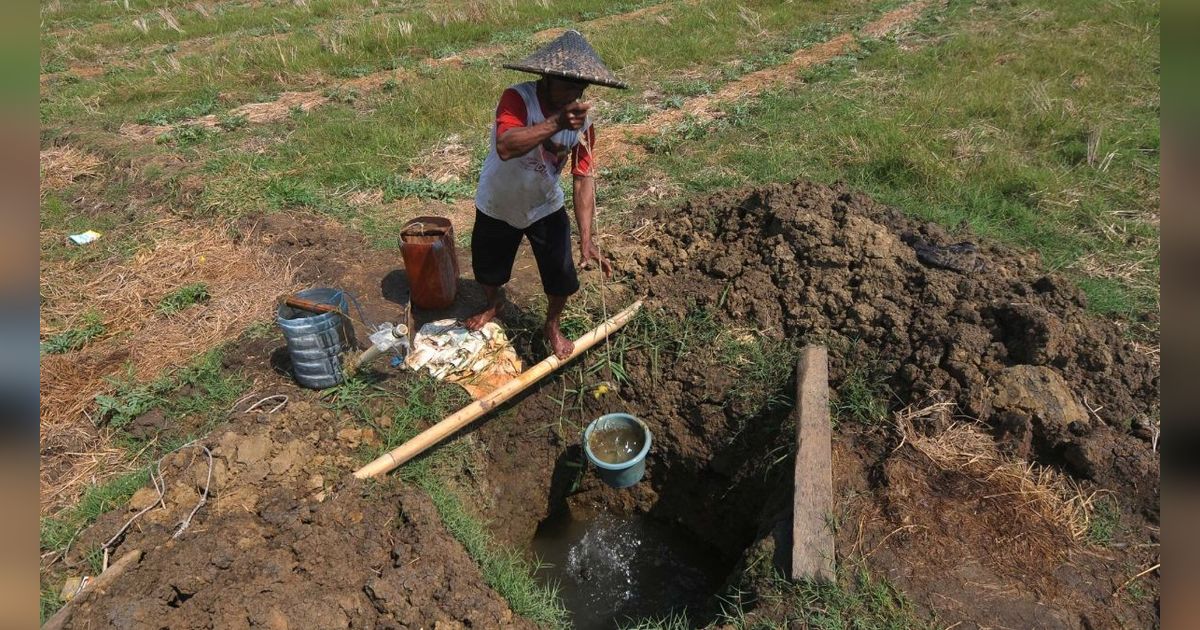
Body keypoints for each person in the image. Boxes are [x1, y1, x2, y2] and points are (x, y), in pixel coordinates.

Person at [467, 30, 627, 359]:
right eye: (567, 84)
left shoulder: (583, 123)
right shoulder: (517, 99)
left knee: (561, 277)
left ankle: (551, 325)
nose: (574, 93)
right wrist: (555, 124)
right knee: (488, 270)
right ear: (545, 77)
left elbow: (583, 178)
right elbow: (507, 146)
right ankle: (492, 304)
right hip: (498, 201)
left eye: (580, 87)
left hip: (544, 206)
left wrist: (585, 238)